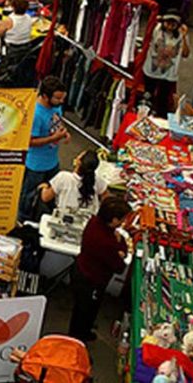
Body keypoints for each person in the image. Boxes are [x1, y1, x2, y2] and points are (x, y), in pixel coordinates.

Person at [68, 197, 131, 343]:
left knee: (82, 310)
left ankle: (84, 330)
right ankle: (77, 341)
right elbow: (119, 267)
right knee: (84, 312)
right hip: (91, 281)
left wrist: (118, 244)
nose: (123, 222)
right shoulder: (106, 241)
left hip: (81, 270)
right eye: (122, 219)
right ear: (114, 220)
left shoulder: (94, 222)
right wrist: (120, 245)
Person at [18, 76, 70, 222]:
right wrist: (54, 139)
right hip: (35, 165)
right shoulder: (35, 114)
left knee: (50, 199)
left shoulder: (56, 107)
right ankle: (24, 224)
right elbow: (29, 141)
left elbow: (56, 124)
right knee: (28, 200)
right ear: (45, 96)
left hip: (53, 162)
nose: (61, 102)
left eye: (62, 98)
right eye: (58, 98)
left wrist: (64, 133)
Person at [143, 12, 190, 117]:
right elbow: (145, 39)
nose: (170, 26)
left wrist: (184, 36)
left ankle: (160, 120)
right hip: (151, 70)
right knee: (147, 97)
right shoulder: (157, 29)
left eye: (173, 24)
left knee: (162, 101)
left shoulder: (181, 34)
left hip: (168, 74)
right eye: (167, 22)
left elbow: (185, 54)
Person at [39, 149, 108, 215]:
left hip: (64, 218)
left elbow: (45, 197)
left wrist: (44, 187)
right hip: (88, 220)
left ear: (79, 162)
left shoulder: (63, 177)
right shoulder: (97, 180)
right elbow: (106, 197)